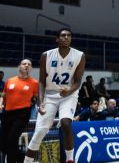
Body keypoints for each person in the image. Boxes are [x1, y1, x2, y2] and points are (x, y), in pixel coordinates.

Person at [23, 27, 86, 163]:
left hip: (68, 94)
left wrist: (69, 90)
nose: (66, 37)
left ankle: (70, 159)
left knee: (65, 123)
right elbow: (41, 81)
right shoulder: (46, 55)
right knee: (40, 132)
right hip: (49, 94)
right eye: (63, 35)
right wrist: (40, 102)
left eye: (69, 35)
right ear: (57, 39)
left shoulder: (79, 55)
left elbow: (78, 81)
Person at [0, 59, 38, 163]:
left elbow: (36, 98)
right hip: (8, 113)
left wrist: (37, 105)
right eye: (24, 64)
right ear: (19, 67)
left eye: (29, 64)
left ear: (31, 68)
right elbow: (3, 97)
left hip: (22, 114)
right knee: (0, 144)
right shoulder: (10, 81)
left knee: (12, 140)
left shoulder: (34, 83)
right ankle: (22, 158)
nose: (26, 65)